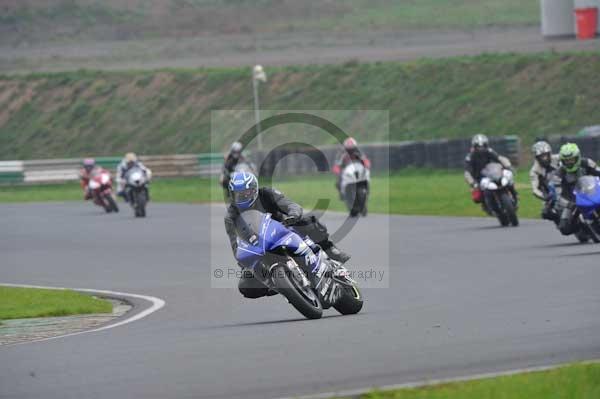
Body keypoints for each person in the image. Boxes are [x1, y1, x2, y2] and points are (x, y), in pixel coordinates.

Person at [224, 171, 350, 299]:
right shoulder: (231, 217)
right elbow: (235, 245)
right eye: (238, 195)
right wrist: (244, 260)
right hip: (258, 247)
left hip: (283, 229)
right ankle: (281, 286)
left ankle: (330, 249)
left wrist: (293, 214)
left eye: (247, 193)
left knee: (306, 220)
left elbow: (289, 204)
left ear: (254, 189)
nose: (243, 197)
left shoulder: (267, 194)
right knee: (245, 286)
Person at [556, 143, 600, 235]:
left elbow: (599, 172)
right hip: (571, 200)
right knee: (564, 228)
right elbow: (557, 195)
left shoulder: (587, 162)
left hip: (591, 192)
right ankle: (581, 228)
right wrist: (568, 204)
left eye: (571, 160)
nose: (569, 163)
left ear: (577, 157)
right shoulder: (559, 173)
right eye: (566, 161)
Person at [464, 134, 518, 209]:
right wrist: (472, 183)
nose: (481, 148)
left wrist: (508, 166)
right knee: (477, 196)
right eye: (478, 146)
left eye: (483, 146)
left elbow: (500, 158)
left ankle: (515, 195)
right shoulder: (470, 157)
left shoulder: (489, 151)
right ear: (474, 146)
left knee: (508, 179)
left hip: (492, 173)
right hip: (478, 178)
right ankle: (486, 204)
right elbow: (467, 173)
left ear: (486, 145)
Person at [529, 141, 560, 222]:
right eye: (542, 156)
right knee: (546, 213)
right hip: (551, 195)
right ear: (537, 157)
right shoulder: (534, 170)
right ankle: (560, 221)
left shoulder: (558, 158)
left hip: (566, 185)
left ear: (550, 153)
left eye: (546, 155)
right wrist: (545, 196)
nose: (545, 158)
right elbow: (535, 189)